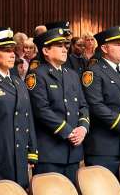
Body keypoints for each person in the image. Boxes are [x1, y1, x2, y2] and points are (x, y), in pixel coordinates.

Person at [26, 28, 89, 184]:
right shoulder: (37, 75)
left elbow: (83, 106)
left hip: (73, 152)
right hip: (50, 153)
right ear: (46, 50)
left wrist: (82, 129)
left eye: (65, 45)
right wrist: (69, 132)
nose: (64, 49)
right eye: (59, 45)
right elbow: (41, 110)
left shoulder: (72, 75)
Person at [0, 27, 37, 188]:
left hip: (19, 153)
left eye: (12, 50)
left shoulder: (17, 80)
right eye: (6, 50)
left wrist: (32, 151)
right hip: (0, 153)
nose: (12, 54)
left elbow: (28, 116)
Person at [82, 26, 120, 176]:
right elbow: (95, 105)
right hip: (104, 148)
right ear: (104, 48)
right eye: (117, 44)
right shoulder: (93, 72)